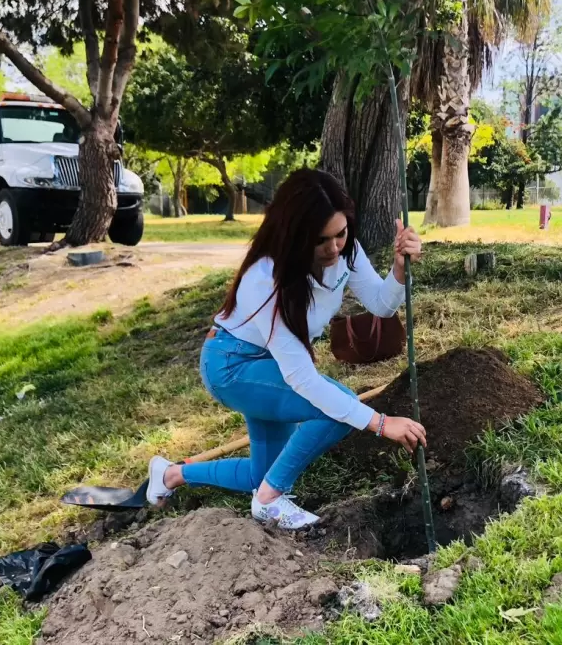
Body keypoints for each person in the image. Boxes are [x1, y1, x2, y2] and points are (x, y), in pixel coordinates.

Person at [146, 169, 427, 529]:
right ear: (293, 235)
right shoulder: (264, 280)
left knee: (261, 473)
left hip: (268, 365)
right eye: (320, 240)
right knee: (335, 409)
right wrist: (380, 423)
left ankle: (170, 475)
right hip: (232, 367)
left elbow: (380, 304)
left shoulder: (347, 249)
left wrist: (400, 268)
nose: (334, 247)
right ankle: (270, 501)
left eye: (340, 234)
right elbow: (302, 379)